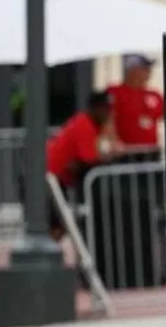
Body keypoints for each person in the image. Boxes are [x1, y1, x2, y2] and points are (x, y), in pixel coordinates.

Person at [45, 90, 114, 241]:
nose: (109, 113)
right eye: (105, 109)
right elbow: (90, 160)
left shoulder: (92, 124)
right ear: (94, 108)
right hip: (51, 177)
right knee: (56, 224)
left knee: (60, 223)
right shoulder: (84, 123)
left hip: (58, 177)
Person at [107, 54, 164, 154]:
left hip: (151, 150)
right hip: (125, 151)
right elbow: (108, 119)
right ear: (132, 70)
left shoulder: (154, 95)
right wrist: (114, 141)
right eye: (144, 68)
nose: (148, 72)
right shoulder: (115, 92)